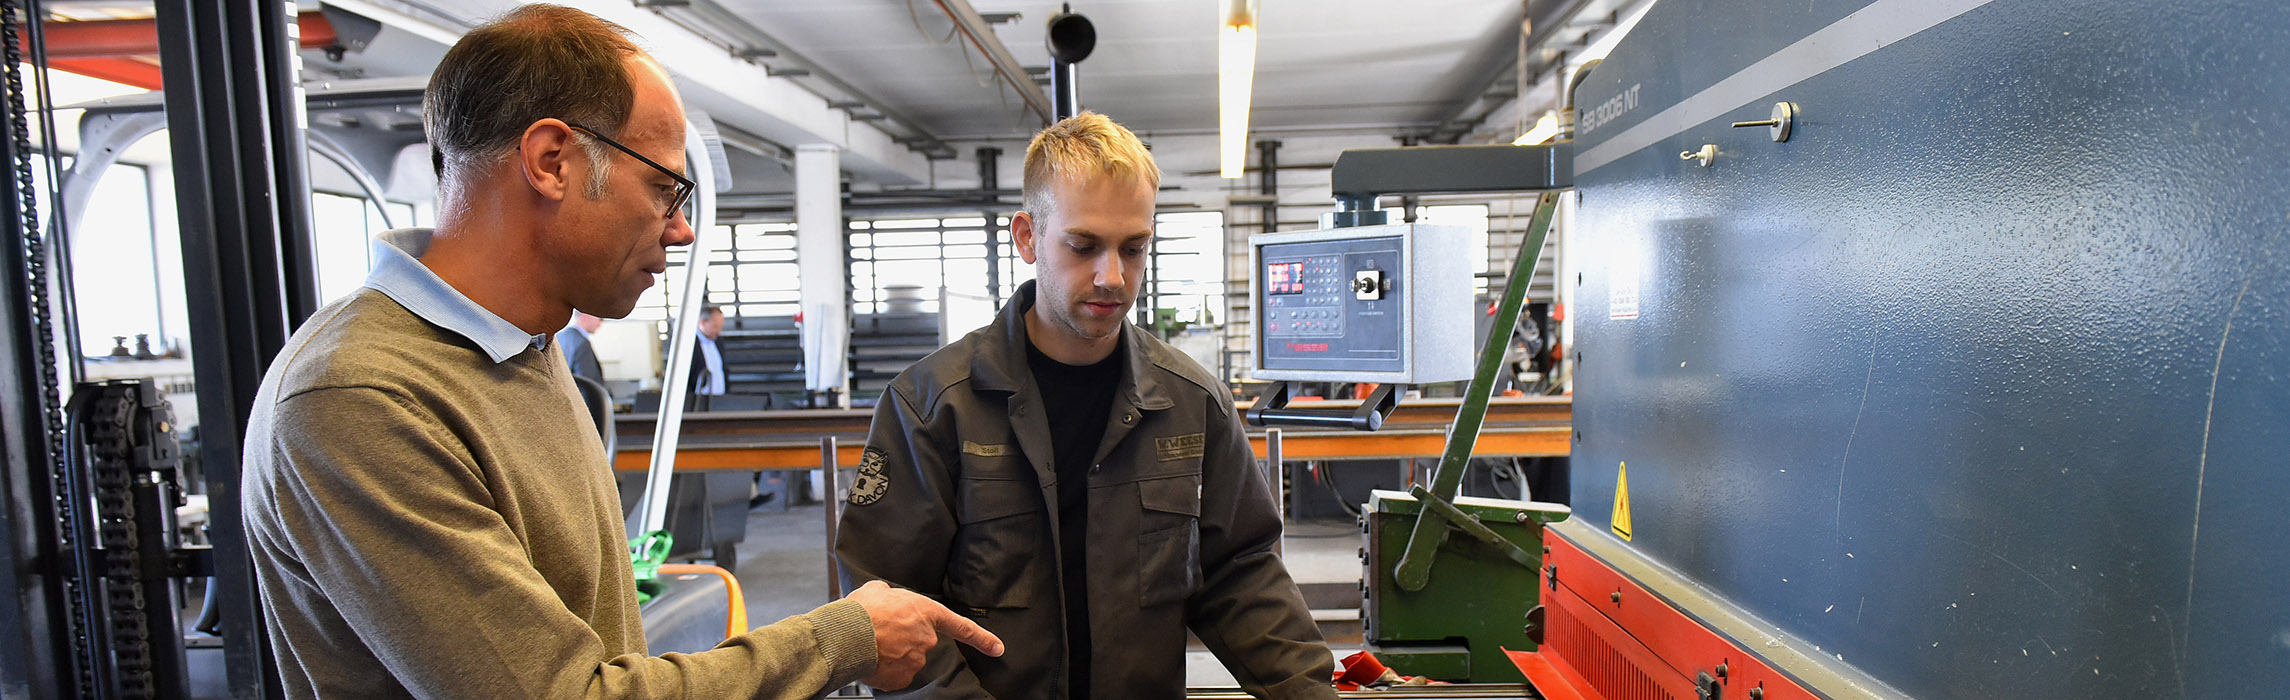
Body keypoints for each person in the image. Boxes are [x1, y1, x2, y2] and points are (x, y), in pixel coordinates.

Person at [238, 6, 1000, 698]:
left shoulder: (524, 351)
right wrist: (840, 640)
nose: (682, 229)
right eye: (665, 188)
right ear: (551, 162)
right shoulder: (360, 400)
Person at [834, 112, 1337, 699]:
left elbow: (1241, 573)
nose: (1113, 276)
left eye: (1134, 248)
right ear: (1027, 237)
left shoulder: (1192, 404)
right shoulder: (931, 407)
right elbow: (887, 605)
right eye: (1084, 245)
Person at [686, 304, 728, 404]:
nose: (719, 331)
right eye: (715, 327)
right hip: (698, 402)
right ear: (703, 322)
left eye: (720, 327)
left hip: (720, 401)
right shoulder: (689, 344)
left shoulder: (718, 342)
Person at [559, 311, 606, 384]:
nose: (600, 324)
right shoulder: (582, 343)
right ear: (585, 316)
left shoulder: (560, 337)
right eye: (599, 319)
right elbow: (587, 384)